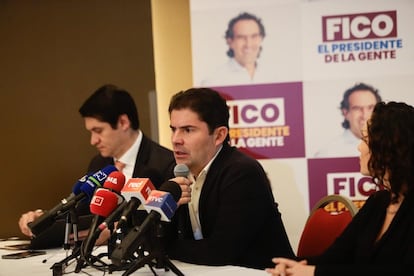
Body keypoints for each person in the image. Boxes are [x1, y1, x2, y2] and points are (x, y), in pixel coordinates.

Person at [267, 101, 414, 276]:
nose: (359, 147)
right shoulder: (378, 201)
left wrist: (314, 272)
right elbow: (334, 258)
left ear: (391, 148)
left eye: (365, 139)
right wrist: (293, 266)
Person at [18, 84, 176, 243]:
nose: (93, 141)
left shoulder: (164, 164)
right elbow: (81, 212)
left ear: (123, 122)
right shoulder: (99, 163)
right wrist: (43, 218)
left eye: (98, 131)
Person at [164, 87, 295, 269]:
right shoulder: (176, 172)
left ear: (219, 135)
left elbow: (219, 252)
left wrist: (163, 248)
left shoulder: (242, 173)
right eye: (173, 129)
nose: (176, 139)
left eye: (187, 130)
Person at [201, 12, 271, 87]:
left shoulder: (272, 76)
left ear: (261, 38)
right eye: (241, 37)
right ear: (230, 41)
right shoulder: (213, 82)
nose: (248, 44)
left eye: (254, 36)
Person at [314, 82, 382, 158]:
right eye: (357, 108)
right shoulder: (327, 154)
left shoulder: (393, 148)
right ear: (345, 113)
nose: (365, 115)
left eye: (370, 108)